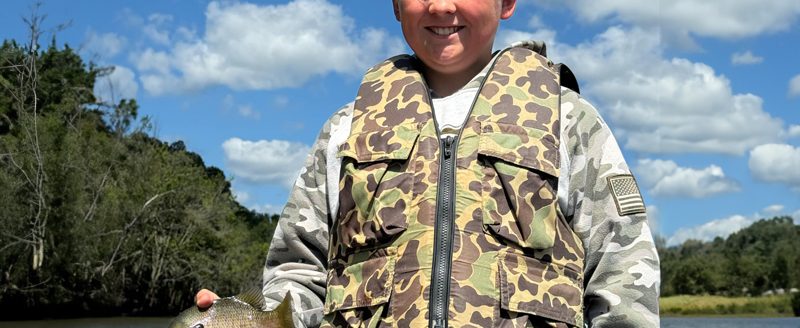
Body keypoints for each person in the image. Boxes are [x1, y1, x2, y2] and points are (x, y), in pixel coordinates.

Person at [197, 0, 660, 327]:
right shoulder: (346, 128)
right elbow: (299, 269)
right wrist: (245, 322)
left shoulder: (569, 119)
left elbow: (623, 268)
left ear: (507, 1)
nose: (440, 5)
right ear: (396, 5)